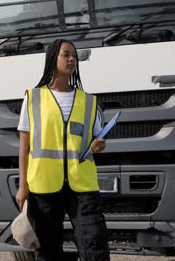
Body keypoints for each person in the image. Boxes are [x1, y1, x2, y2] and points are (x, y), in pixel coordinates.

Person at [15, 39, 110, 261]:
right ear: (52, 59)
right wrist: (22, 186)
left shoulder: (89, 101)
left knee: (94, 244)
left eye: (74, 56)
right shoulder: (33, 98)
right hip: (44, 185)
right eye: (65, 55)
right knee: (48, 250)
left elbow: (98, 140)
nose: (71, 59)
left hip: (82, 185)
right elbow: (24, 145)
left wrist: (99, 145)